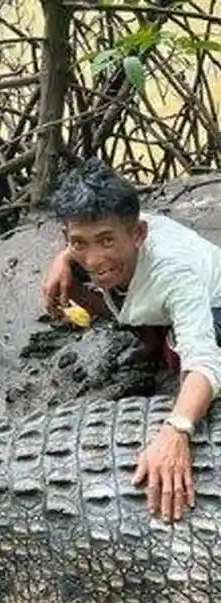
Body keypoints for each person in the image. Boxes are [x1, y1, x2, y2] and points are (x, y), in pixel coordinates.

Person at [40, 157, 221, 523]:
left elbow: (204, 362)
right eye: (79, 243)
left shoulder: (175, 271)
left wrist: (177, 429)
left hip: (214, 304)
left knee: (187, 360)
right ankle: (152, 335)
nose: (94, 259)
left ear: (138, 233)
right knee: (74, 283)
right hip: (154, 302)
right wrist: (63, 260)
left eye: (107, 240)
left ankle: (161, 344)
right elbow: (86, 246)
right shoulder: (99, 244)